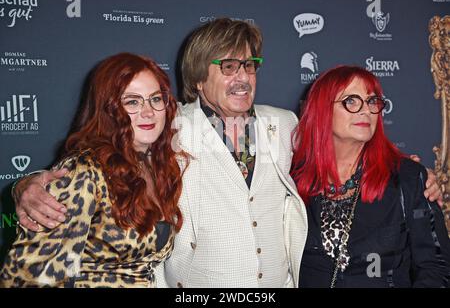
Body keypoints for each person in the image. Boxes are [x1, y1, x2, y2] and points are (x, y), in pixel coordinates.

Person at [10, 19, 443, 288]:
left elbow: (346, 144)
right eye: (228, 66)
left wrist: (415, 174)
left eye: (249, 65)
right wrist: (26, 186)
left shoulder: (285, 125)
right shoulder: (166, 125)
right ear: (199, 78)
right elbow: (102, 161)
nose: (242, 77)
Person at [0, 53, 187, 287]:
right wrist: (23, 185)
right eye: (132, 101)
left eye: (155, 99)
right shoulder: (84, 172)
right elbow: (26, 277)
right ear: (109, 109)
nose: (148, 111)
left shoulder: (154, 164)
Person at [291, 65, 450, 288]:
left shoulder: (407, 178)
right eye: (352, 101)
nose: (366, 110)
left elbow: (438, 267)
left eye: (372, 101)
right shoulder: (291, 180)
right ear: (322, 110)